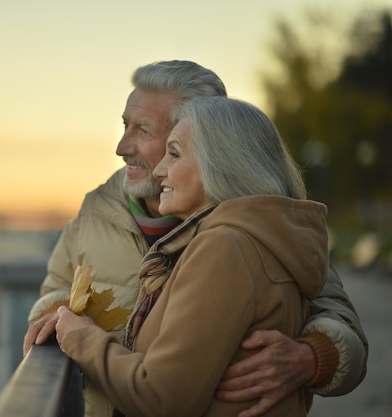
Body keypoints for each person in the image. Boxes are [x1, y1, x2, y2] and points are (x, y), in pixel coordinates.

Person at [24, 61, 367, 417]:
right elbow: (53, 293)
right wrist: (61, 317)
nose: (122, 146)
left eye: (143, 130)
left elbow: (339, 317)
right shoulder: (95, 210)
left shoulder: (250, 228)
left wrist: (312, 357)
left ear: (207, 140)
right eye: (125, 125)